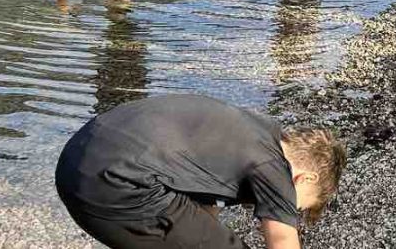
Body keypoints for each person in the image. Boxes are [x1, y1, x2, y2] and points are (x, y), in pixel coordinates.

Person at [55, 94, 346, 249]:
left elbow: (201, 209)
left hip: (78, 155)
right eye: (296, 205)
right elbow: (283, 242)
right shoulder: (274, 168)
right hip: (113, 184)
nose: (284, 206)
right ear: (305, 178)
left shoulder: (258, 132)